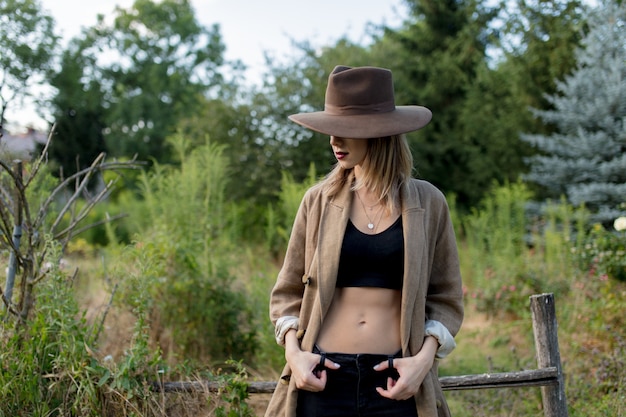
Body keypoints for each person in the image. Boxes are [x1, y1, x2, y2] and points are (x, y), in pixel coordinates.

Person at [265, 65, 464, 417]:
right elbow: (287, 294)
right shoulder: (318, 201)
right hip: (322, 379)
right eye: (331, 130)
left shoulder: (428, 203)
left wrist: (422, 362)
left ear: (380, 133)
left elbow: (446, 299)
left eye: (345, 131)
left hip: (396, 383)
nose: (334, 141)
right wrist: (294, 355)